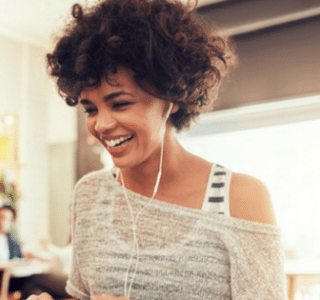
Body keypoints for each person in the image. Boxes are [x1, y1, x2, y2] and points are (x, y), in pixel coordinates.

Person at [29, 0, 287, 299]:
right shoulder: (90, 195)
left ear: (172, 95)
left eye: (120, 103)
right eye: (90, 109)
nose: (101, 124)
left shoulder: (240, 199)